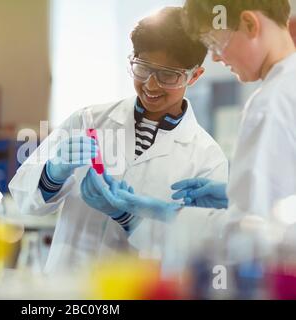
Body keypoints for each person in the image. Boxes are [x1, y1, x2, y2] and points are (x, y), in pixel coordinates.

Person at [9, 7, 228, 273]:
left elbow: (196, 249)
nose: (151, 85)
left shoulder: (206, 157)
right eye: (143, 68)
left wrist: (128, 218)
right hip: (68, 286)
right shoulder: (88, 120)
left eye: (168, 75)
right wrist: (52, 174)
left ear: (194, 75)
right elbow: (23, 198)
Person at [101, 0, 296, 248]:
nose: (215, 56)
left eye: (215, 43)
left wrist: (163, 214)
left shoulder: (271, 102)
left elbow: (251, 235)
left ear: (249, 24)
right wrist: (233, 197)